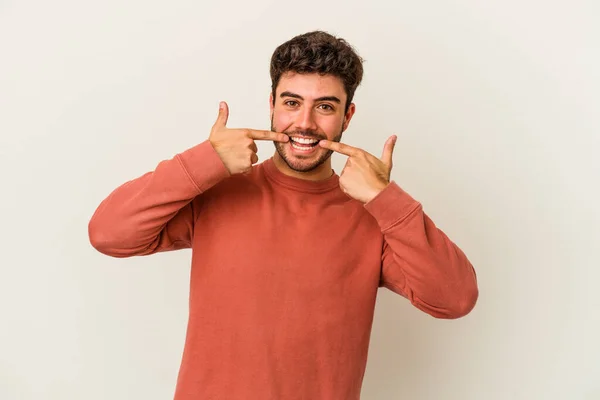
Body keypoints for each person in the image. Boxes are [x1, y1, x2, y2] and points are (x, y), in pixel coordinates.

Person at [88, 30, 478, 400]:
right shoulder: (217, 192)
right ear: (272, 104)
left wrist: (384, 198)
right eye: (292, 103)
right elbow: (108, 233)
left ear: (347, 116)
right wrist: (205, 161)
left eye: (325, 107)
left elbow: (455, 298)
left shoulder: (371, 219)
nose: (305, 123)